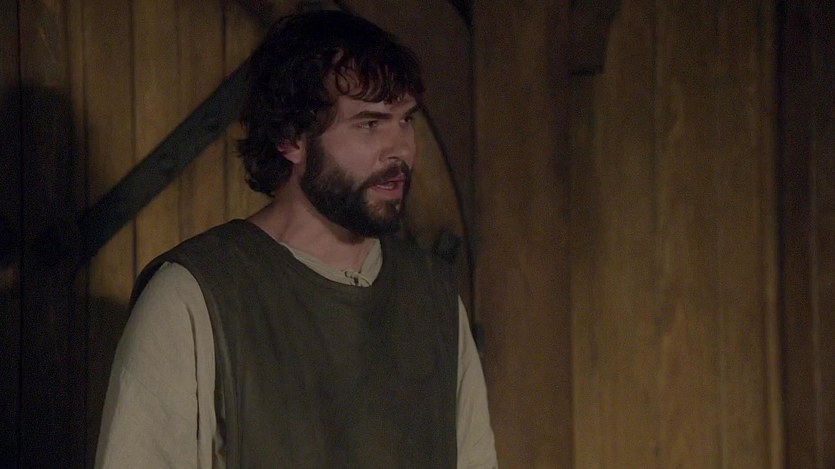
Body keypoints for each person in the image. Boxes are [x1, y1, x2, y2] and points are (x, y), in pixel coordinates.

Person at [95, 9, 496, 469]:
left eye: (405, 120)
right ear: (292, 138)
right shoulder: (194, 296)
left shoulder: (432, 296)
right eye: (370, 123)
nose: (400, 149)